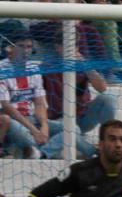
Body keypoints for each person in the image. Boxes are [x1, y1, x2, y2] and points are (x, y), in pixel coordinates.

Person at [0, 24, 78, 159]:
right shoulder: (2, 69)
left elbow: (40, 102)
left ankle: (41, 153)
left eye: (29, 47)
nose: (26, 51)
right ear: (10, 48)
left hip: (33, 119)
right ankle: (39, 148)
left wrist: (44, 125)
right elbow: (6, 107)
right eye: (21, 46)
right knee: (20, 131)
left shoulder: (34, 69)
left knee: (73, 128)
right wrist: (34, 130)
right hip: (15, 121)